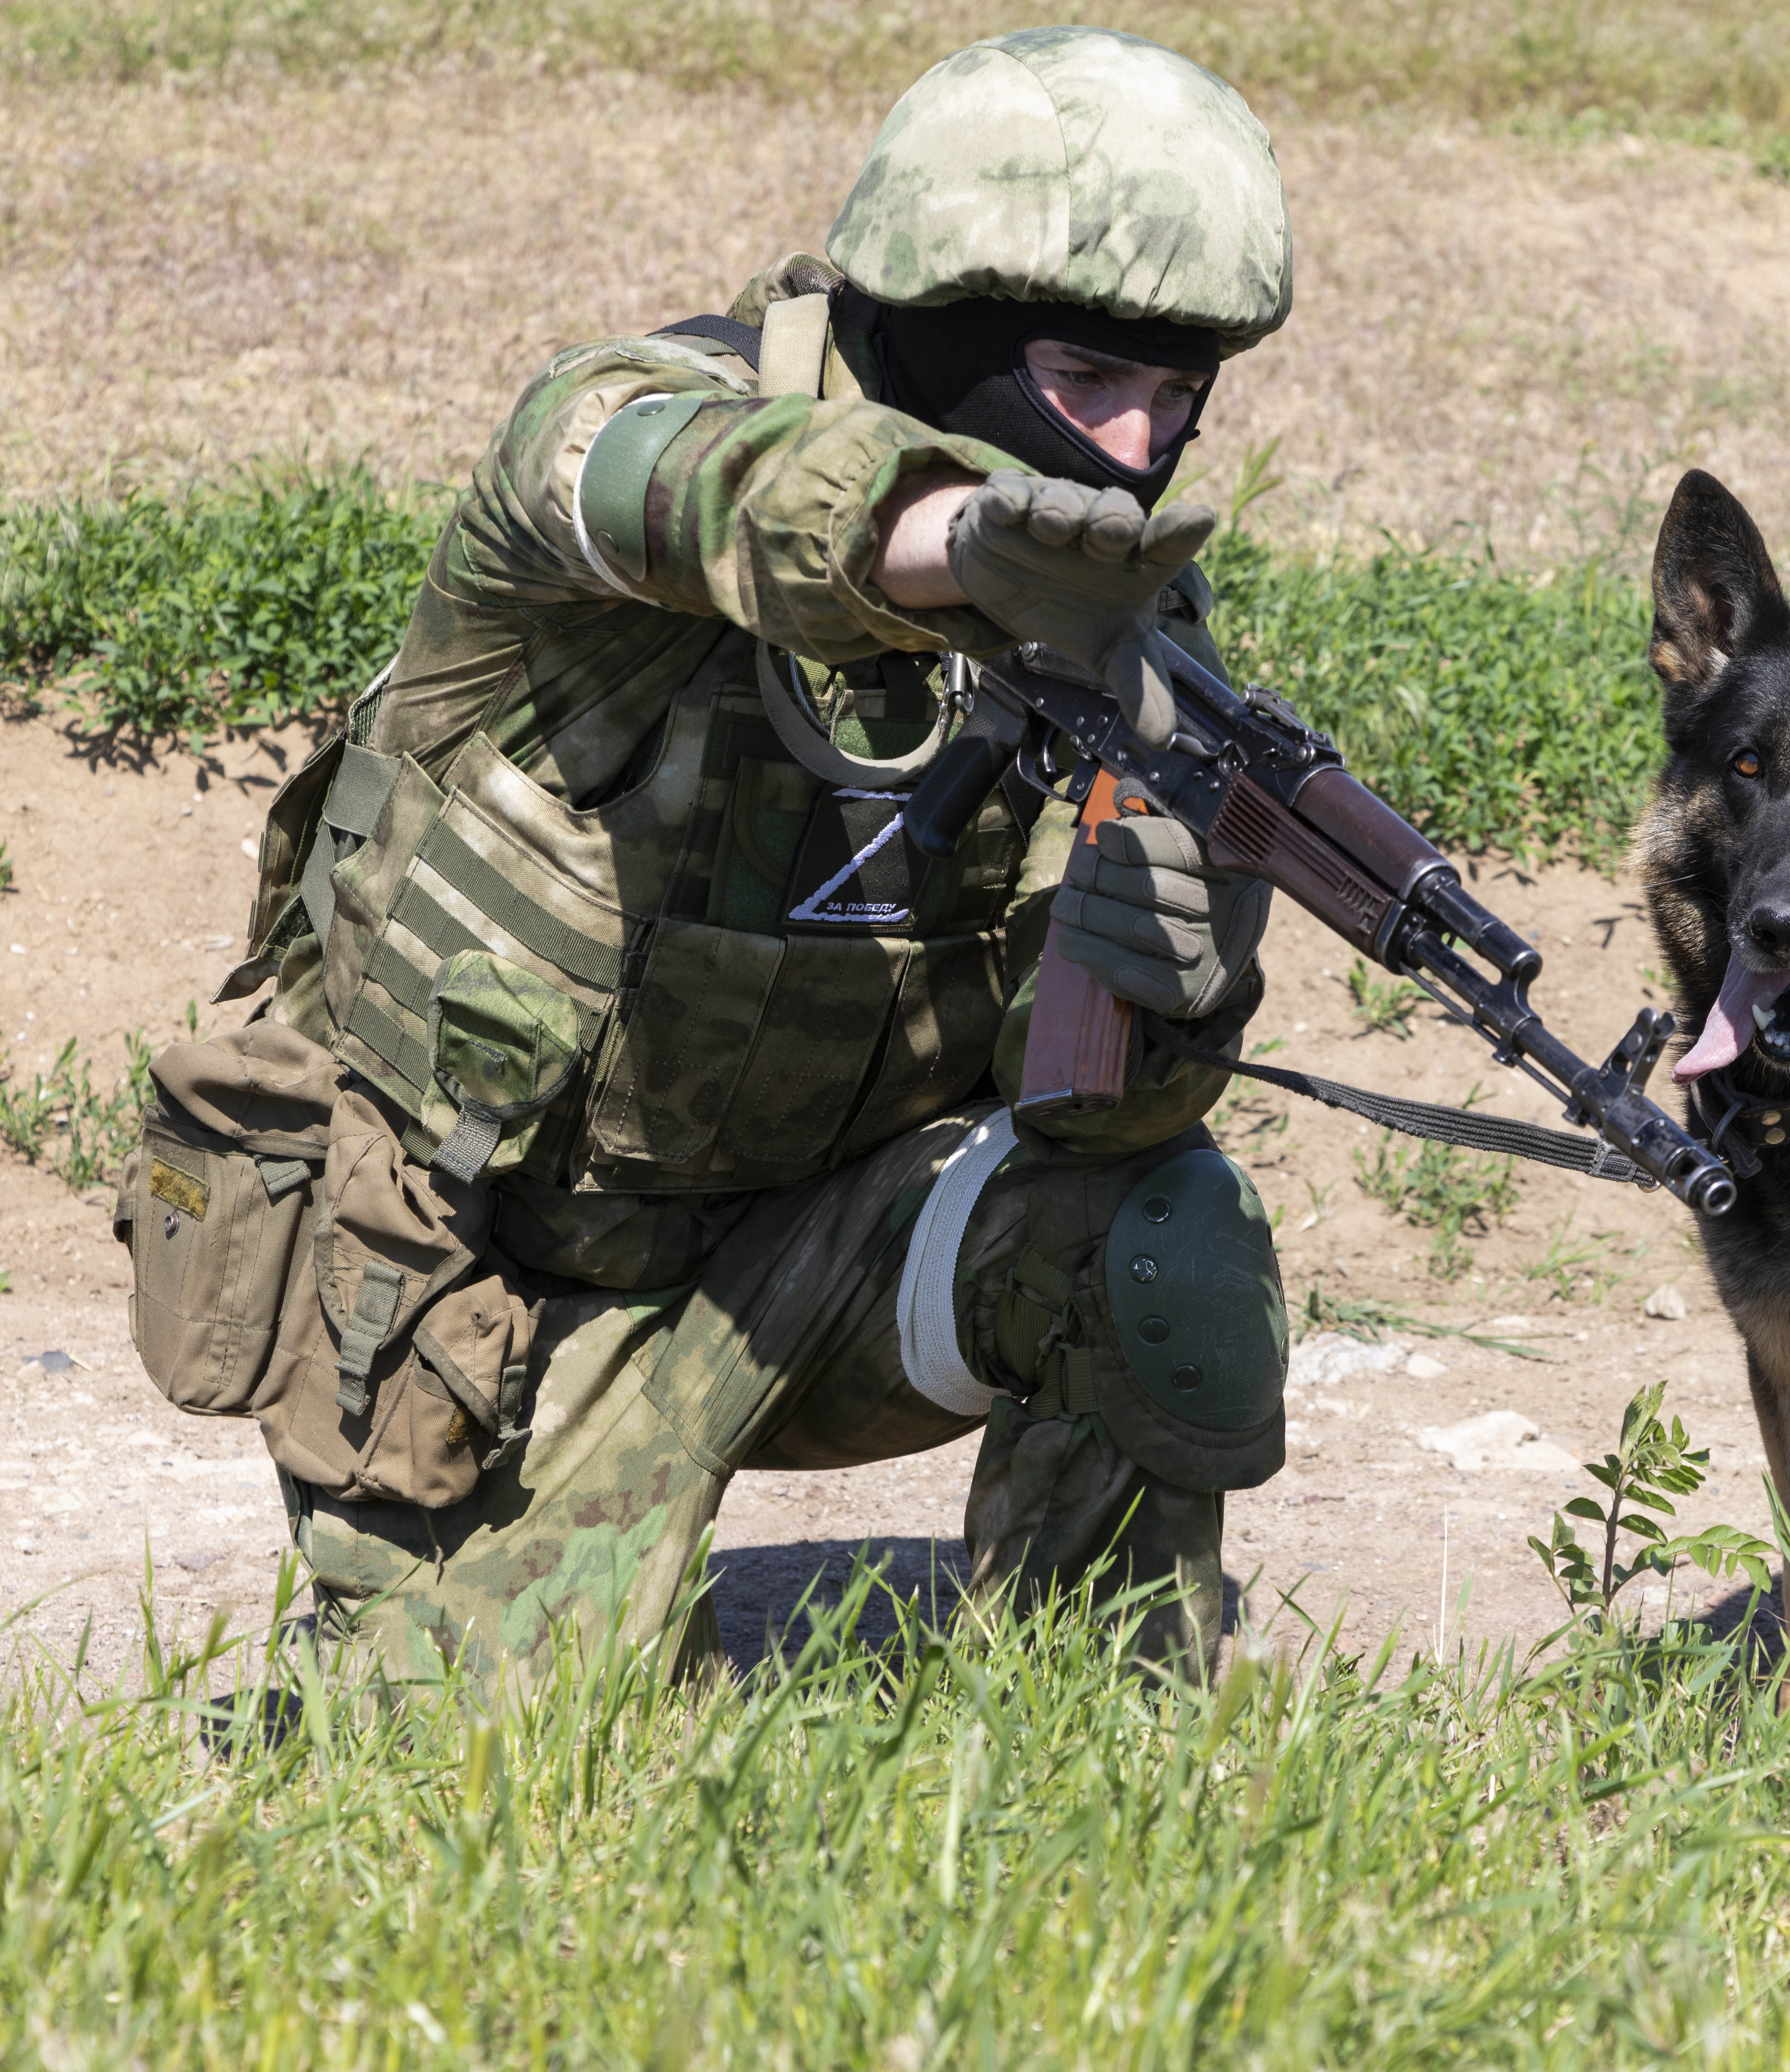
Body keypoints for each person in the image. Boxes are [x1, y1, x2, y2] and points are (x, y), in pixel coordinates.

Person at [194, 26, 1297, 1681]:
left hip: (803, 1277)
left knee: (1159, 1228)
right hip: (470, 1307)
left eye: (1181, 400)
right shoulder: (616, 428)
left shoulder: (1112, 623)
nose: (1135, 451)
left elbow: (1070, 1114)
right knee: (498, 1817)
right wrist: (945, 543)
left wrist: (1178, 995)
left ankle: (1101, 1759)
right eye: (1086, 385)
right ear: (939, 336)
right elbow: (709, 489)